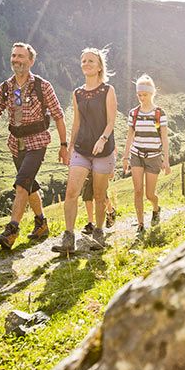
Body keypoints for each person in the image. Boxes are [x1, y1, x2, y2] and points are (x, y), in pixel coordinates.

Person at [0, 42, 69, 249]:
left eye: (21, 57)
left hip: (37, 142)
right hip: (16, 144)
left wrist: (63, 145)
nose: (16, 60)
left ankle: (12, 231)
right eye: (14, 56)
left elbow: (59, 116)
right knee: (29, 185)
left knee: (21, 184)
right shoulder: (6, 88)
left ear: (31, 61)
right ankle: (41, 223)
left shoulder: (42, 86)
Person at [52, 48, 117, 254]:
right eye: (83, 61)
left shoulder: (108, 90)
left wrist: (103, 139)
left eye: (91, 61)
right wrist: (70, 147)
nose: (86, 64)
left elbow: (111, 121)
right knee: (71, 192)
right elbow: (77, 123)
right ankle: (68, 238)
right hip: (81, 149)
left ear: (99, 67)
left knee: (99, 195)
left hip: (103, 150)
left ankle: (98, 232)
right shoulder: (77, 93)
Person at [122, 74, 170, 234]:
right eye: (139, 95)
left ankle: (156, 208)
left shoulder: (159, 114)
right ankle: (141, 224)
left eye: (145, 95)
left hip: (154, 157)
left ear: (152, 93)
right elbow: (130, 135)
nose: (142, 98)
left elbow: (164, 137)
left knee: (150, 194)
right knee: (137, 191)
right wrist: (125, 157)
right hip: (136, 155)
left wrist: (166, 160)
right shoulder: (133, 114)